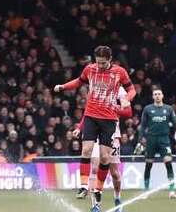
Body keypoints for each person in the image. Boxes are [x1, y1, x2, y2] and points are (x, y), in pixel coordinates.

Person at [54, 46, 135, 201]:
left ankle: (98, 189)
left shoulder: (119, 72)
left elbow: (132, 90)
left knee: (105, 158)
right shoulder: (90, 69)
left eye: (103, 63)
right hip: (91, 115)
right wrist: (63, 87)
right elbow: (78, 82)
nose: (100, 66)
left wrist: (126, 99)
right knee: (86, 151)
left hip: (109, 120)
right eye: (98, 62)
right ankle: (84, 186)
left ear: (110, 60)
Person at [74, 86, 132, 212]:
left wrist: (113, 107)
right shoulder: (95, 88)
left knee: (115, 174)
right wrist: (80, 127)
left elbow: (128, 112)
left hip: (112, 135)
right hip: (95, 135)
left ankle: (117, 197)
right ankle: (95, 206)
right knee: (94, 169)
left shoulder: (120, 90)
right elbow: (89, 112)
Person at [139, 86, 176, 199]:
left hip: (164, 140)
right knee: (148, 164)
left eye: (159, 94)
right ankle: (146, 191)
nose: (157, 96)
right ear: (153, 96)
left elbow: (175, 124)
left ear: (162, 96)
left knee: (168, 163)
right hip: (151, 139)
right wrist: (141, 138)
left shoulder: (168, 109)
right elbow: (143, 125)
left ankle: (172, 191)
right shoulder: (148, 109)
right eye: (155, 94)